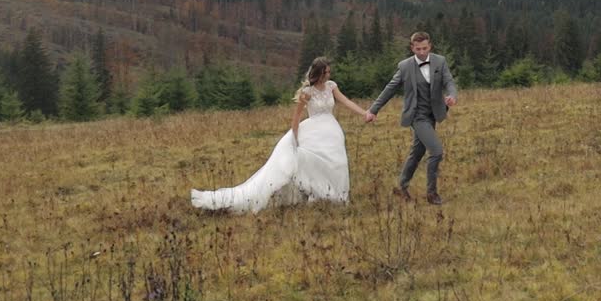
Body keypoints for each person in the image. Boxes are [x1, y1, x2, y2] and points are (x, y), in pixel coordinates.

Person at [190, 57, 370, 212]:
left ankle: (337, 195)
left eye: (329, 72)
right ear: (318, 73)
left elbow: (346, 101)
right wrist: (294, 137)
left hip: (331, 131)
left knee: (336, 162)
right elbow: (297, 116)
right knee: (308, 161)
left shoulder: (331, 87)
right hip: (313, 131)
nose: (329, 75)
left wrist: (365, 113)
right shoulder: (307, 93)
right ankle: (317, 192)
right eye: (326, 73)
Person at [365, 32, 457, 205]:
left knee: (418, 152)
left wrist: (452, 95)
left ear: (430, 46)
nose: (421, 52)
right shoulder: (405, 66)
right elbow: (390, 89)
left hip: (433, 114)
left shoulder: (440, 61)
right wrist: (373, 110)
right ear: (412, 48)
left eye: (424, 48)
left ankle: (401, 187)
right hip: (416, 115)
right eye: (418, 49)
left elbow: (449, 81)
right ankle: (432, 194)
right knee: (436, 151)